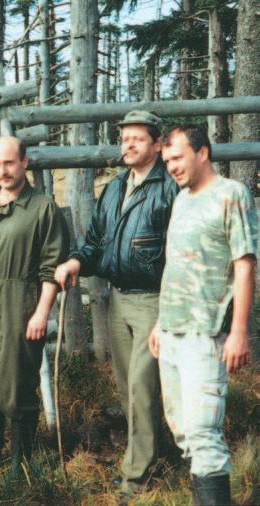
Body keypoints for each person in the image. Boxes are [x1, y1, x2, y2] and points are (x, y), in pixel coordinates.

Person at [54, 110, 178, 495]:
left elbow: (179, 250)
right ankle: (157, 455)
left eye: (136, 139)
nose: (127, 145)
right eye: (124, 139)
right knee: (127, 388)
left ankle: (136, 477)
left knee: (142, 385)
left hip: (155, 301)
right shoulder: (113, 188)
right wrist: (76, 260)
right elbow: (94, 242)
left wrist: (172, 305)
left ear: (157, 144)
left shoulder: (170, 186)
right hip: (119, 300)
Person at [149, 126, 257, 505]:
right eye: (166, 161)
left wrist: (239, 332)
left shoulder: (231, 195)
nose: (172, 167)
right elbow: (175, 265)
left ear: (203, 152)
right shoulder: (181, 200)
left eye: (177, 158)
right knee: (183, 433)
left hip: (207, 334)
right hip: (173, 333)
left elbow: (244, 265)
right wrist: (160, 322)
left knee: (203, 433)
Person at [0, 136, 69, 476]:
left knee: (18, 385)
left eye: (9, 163)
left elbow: (52, 266)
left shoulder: (42, 208)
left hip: (21, 305)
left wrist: (41, 312)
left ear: (24, 163)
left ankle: (22, 461)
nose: (2, 171)